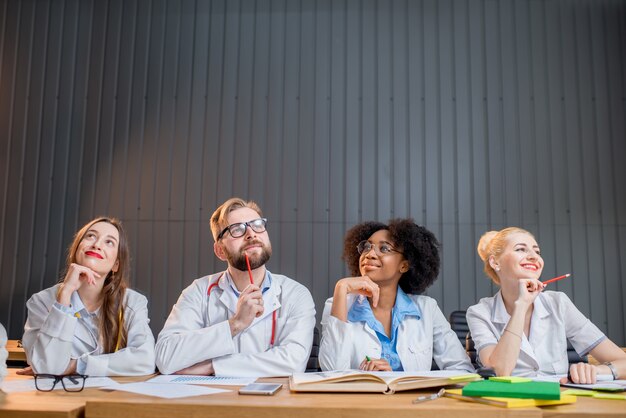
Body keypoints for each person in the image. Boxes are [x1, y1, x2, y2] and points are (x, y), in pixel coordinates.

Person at [155, 198, 316, 376]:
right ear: (220, 251)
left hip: (272, 402)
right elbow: (165, 356)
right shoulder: (199, 292)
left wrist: (213, 367)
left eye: (257, 225)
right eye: (237, 229)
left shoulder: (296, 294)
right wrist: (235, 324)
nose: (251, 234)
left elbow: (293, 363)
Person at [467, 227, 626, 383]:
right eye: (521, 249)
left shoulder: (558, 303)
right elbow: (500, 371)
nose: (534, 257)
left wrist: (597, 371)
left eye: (537, 251)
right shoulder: (479, 313)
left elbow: (622, 362)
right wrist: (521, 305)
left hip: (559, 401)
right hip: (510, 404)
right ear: (495, 262)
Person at [319, 219, 474, 372]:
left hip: (411, 398)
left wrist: (396, 379)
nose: (370, 254)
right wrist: (341, 287)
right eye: (367, 247)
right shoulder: (338, 304)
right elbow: (332, 371)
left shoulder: (427, 309)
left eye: (384, 249)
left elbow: (462, 369)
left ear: (404, 265)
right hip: (358, 398)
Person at [21, 217, 155, 376]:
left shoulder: (132, 302)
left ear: (116, 265)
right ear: (76, 250)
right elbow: (46, 367)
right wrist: (64, 296)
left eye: (109, 242)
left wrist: (76, 366)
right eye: (91, 236)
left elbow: (145, 360)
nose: (97, 245)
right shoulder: (41, 302)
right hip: (60, 397)